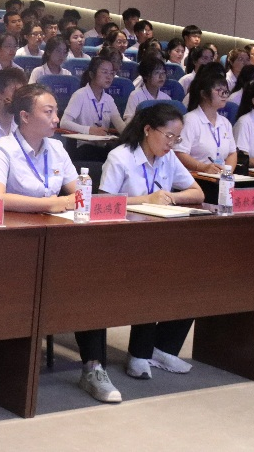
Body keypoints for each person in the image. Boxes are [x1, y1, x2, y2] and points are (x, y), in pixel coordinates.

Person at [0, 83, 121, 402]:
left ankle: (94, 368)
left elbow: (79, 194)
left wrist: (73, 201)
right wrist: (52, 203)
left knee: (88, 285)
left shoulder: (57, 149)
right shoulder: (3, 148)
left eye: (56, 111)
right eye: (49, 111)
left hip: (58, 238)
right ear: (25, 116)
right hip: (15, 244)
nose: (56, 118)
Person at [100, 102, 202, 381]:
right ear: (148, 130)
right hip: (122, 241)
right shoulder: (121, 157)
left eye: (177, 139)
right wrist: (146, 199)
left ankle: (163, 348)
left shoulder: (168, 158)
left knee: (195, 276)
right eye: (168, 136)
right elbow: (103, 202)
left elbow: (197, 193)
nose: (171, 143)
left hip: (160, 238)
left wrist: (172, 196)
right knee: (152, 276)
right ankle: (139, 353)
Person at [173, 68, 237, 176]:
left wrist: (227, 174)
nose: (224, 94)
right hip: (196, 177)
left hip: (219, 178)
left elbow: (232, 153)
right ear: (204, 94)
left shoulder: (225, 122)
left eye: (226, 91)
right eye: (219, 90)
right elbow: (179, 152)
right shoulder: (190, 120)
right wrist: (203, 167)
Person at [61, 57, 124, 135]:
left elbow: (120, 126)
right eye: (105, 72)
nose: (109, 77)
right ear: (91, 74)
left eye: (111, 73)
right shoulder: (80, 95)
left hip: (104, 141)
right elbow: (64, 123)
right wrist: (89, 130)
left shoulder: (109, 99)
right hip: (83, 141)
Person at [124, 56, 172, 123]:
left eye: (163, 73)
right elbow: (128, 122)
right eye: (157, 73)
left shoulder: (166, 98)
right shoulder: (135, 95)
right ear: (146, 76)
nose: (161, 76)